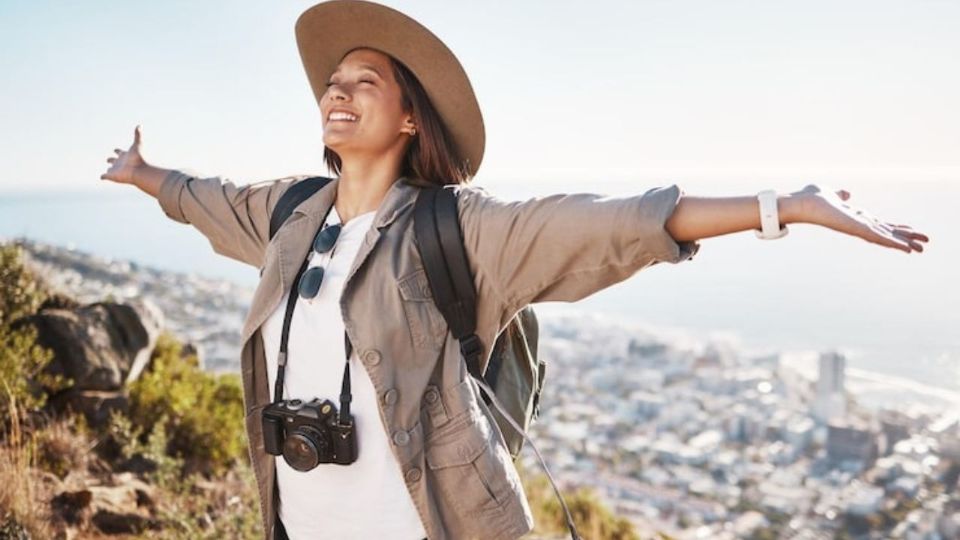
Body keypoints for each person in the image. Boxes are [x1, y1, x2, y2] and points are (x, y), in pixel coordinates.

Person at [100, 1, 929, 539]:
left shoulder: (460, 229)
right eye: (330, 82)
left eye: (364, 81)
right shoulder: (290, 215)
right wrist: (143, 175)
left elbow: (613, 224)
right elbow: (201, 198)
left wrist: (787, 204)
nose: (335, 92)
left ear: (410, 115)